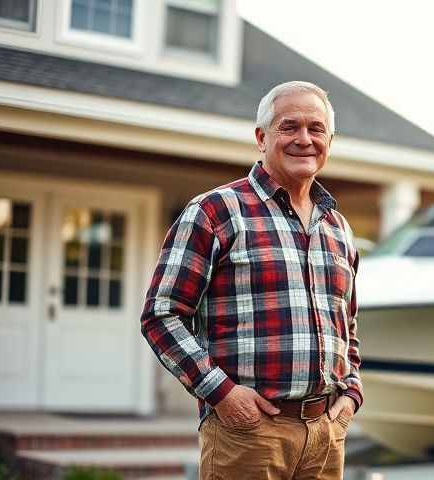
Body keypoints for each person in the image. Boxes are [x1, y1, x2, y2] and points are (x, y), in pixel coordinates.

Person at [140, 81, 362, 480]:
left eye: (316, 129)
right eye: (288, 127)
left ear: (330, 140)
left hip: (327, 434)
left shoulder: (338, 227)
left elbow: (348, 326)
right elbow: (161, 315)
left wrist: (351, 395)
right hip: (248, 433)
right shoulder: (214, 211)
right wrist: (222, 394)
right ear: (261, 138)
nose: (304, 139)